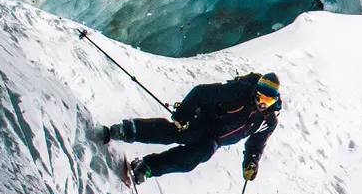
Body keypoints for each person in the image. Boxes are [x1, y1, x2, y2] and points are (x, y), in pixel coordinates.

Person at [105, 71, 280, 184]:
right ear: (255, 91)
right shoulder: (240, 90)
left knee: (193, 158)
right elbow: (202, 92)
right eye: (260, 97)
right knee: (180, 132)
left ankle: (147, 166)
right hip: (203, 119)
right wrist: (184, 115)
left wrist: (251, 162)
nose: (262, 103)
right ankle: (128, 130)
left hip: (215, 139)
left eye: (268, 101)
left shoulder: (267, 121)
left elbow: (256, 144)